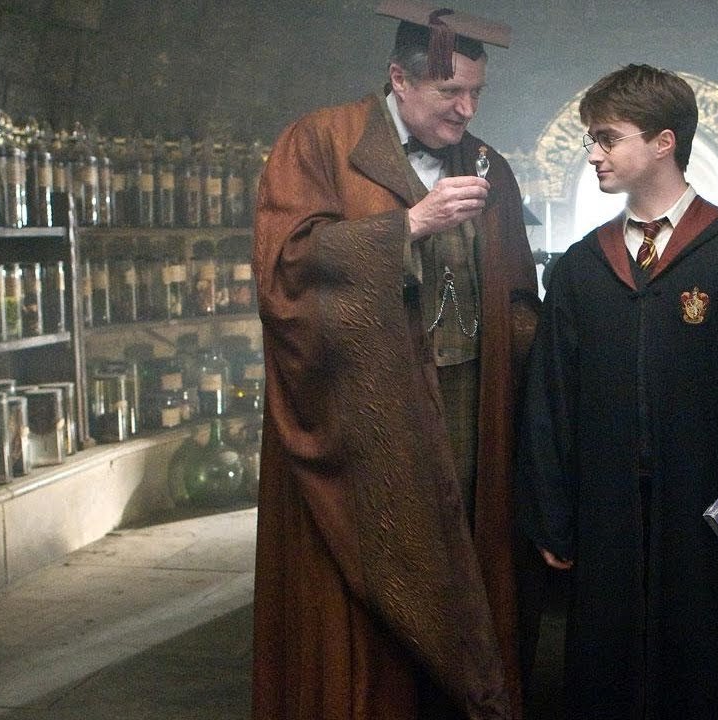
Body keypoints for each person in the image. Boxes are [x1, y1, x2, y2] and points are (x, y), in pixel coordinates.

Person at [250, 2, 540, 718]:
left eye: (477, 92)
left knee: (458, 565)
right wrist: (407, 225)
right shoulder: (319, 142)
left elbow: (517, 300)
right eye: (450, 92)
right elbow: (285, 269)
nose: (467, 109)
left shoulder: (490, 167)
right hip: (364, 418)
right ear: (399, 79)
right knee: (373, 583)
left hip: (467, 412)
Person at [518, 64, 718, 719]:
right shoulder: (581, 268)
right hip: (607, 514)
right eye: (591, 140)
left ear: (664, 142)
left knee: (711, 672)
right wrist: (551, 511)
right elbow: (551, 401)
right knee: (611, 673)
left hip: (706, 507)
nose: (593, 153)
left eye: (607, 138)